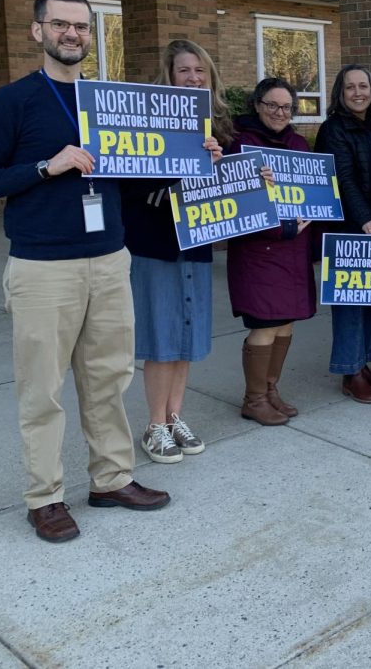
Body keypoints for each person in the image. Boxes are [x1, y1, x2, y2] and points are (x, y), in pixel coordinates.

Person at [0, 0, 169, 543]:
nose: (71, 34)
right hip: (44, 266)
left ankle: (111, 479)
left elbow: (139, 171)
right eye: (60, 25)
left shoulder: (110, 100)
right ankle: (45, 497)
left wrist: (188, 159)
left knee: (108, 378)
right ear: (38, 31)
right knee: (42, 388)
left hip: (108, 258)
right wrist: (45, 168)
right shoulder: (14, 101)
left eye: (81, 26)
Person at [122, 39, 229, 463]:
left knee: (186, 337)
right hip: (155, 245)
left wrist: (220, 165)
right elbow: (130, 186)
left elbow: (227, 191)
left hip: (195, 244)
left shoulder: (214, 126)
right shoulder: (142, 125)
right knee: (162, 337)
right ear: (168, 76)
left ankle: (174, 417)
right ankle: (153, 426)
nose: (194, 78)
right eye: (185, 70)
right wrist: (170, 187)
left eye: (200, 71)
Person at [228, 77, 317, 426]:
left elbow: (313, 193)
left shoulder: (297, 143)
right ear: (257, 105)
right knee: (265, 323)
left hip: (294, 248)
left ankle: (270, 389)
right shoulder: (240, 142)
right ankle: (254, 399)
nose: (280, 112)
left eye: (286, 107)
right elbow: (236, 203)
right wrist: (255, 181)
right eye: (272, 105)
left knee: (286, 324)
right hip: (259, 249)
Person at [313, 65, 371, 404]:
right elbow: (341, 179)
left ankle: (362, 363)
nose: (358, 92)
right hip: (349, 227)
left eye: (364, 85)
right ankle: (350, 372)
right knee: (350, 302)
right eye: (350, 88)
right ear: (340, 94)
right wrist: (364, 218)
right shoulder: (334, 129)